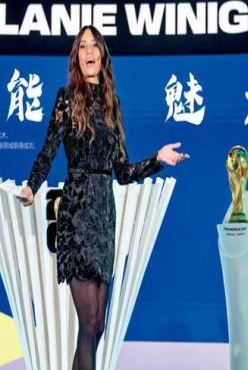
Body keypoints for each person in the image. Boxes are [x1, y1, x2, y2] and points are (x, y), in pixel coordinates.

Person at [19, 25, 189, 370]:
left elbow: (122, 172)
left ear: (102, 55)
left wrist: (157, 159)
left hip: (104, 218)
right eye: (82, 46)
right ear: (76, 57)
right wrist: (32, 186)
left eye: (94, 45)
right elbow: (48, 150)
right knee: (87, 323)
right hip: (77, 213)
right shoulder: (67, 98)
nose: (88, 51)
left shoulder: (113, 104)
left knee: (97, 326)